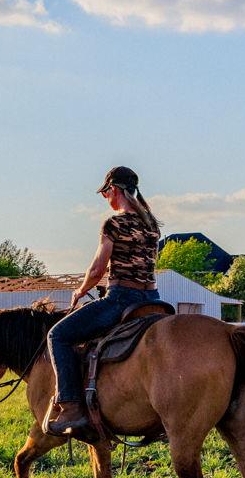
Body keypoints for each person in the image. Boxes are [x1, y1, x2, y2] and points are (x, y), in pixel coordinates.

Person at [42, 166, 163, 438]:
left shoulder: (114, 223)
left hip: (122, 298)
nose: (106, 198)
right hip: (153, 299)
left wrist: (80, 291)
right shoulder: (152, 225)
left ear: (115, 190)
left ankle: (70, 405)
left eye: (106, 192)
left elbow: (98, 269)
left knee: (58, 335)